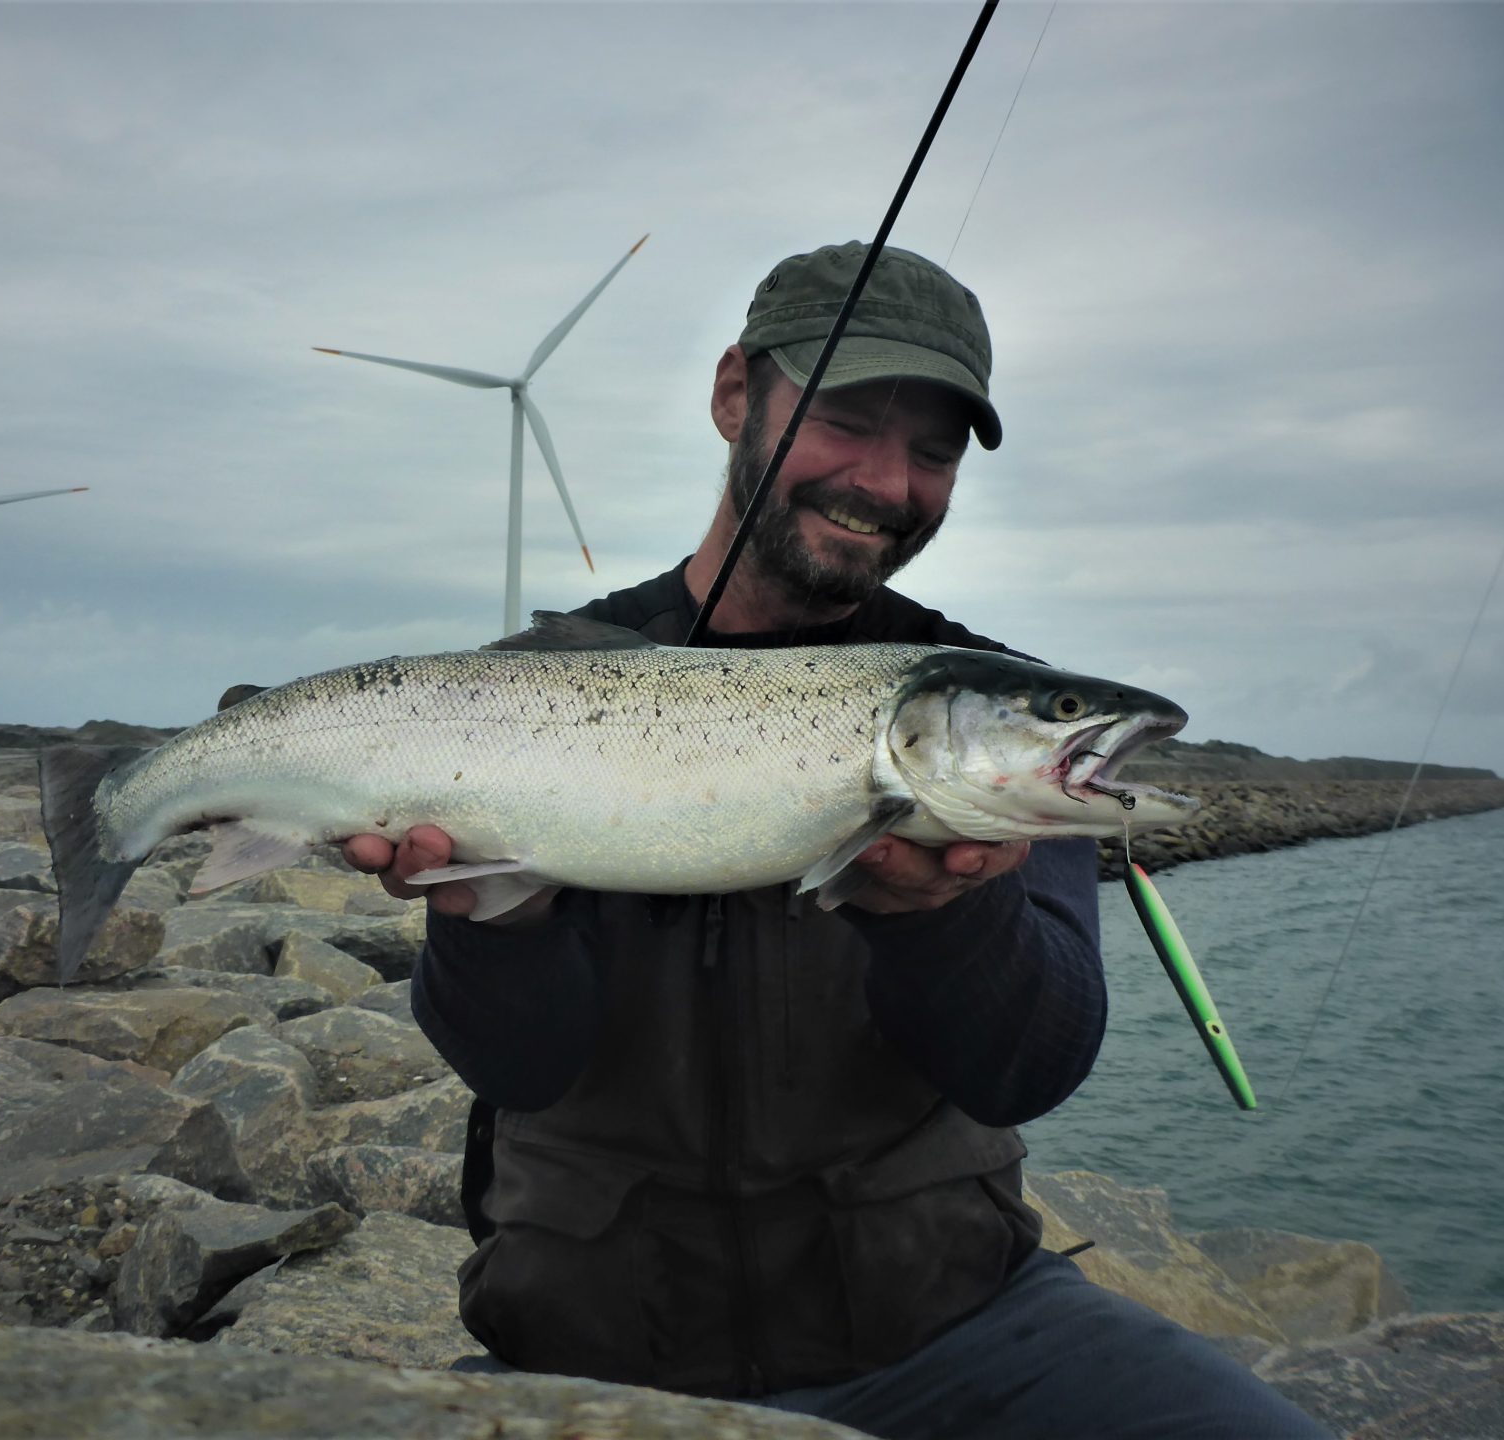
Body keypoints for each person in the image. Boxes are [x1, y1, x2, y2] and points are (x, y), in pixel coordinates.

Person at [338, 242, 1330, 1439]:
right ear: (732, 394)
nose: (886, 480)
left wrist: (951, 921)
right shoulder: (544, 692)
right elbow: (519, 1071)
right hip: (598, 1355)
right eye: (847, 420)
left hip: (963, 1332)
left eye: (934, 450)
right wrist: (494, 917)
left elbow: (1027, 1072)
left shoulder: (996, 716)